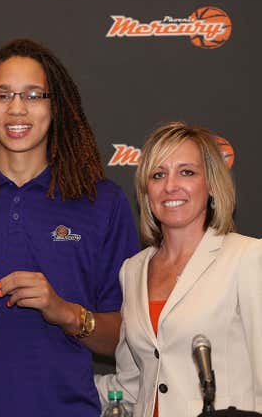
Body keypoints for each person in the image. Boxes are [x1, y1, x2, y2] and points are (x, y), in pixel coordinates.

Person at [0, 38, 139, 416]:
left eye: (33, 95)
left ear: (56, 105)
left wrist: (64, 311)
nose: (17, 109)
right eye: (3, 95)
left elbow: (126, 339)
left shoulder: (101, 202)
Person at [95, 122, 262, 416]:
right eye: (158, 175)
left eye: (187, 172)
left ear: (211, 184)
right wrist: (58, 385)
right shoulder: (133, 270)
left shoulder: (247, 257)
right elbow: (133, 384)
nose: (170, 185)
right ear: (146, 191)